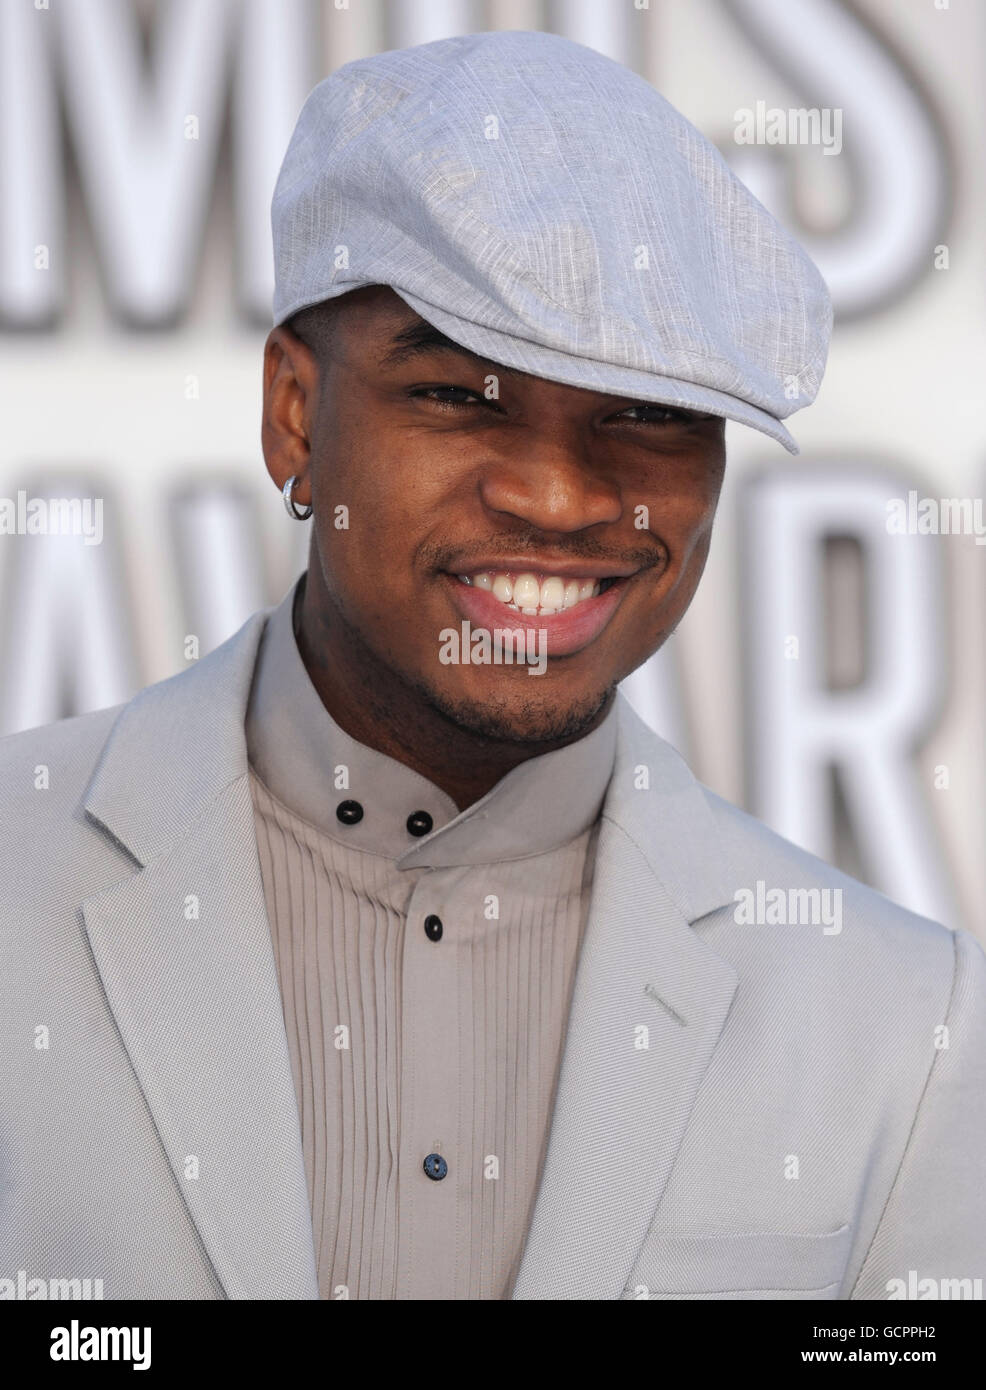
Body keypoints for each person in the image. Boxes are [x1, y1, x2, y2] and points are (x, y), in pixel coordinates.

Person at [1, 29, 983, 1303]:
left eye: (646, 415)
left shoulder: (899, 1020)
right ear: (294, 415)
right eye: (461, 394)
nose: (560, 496)